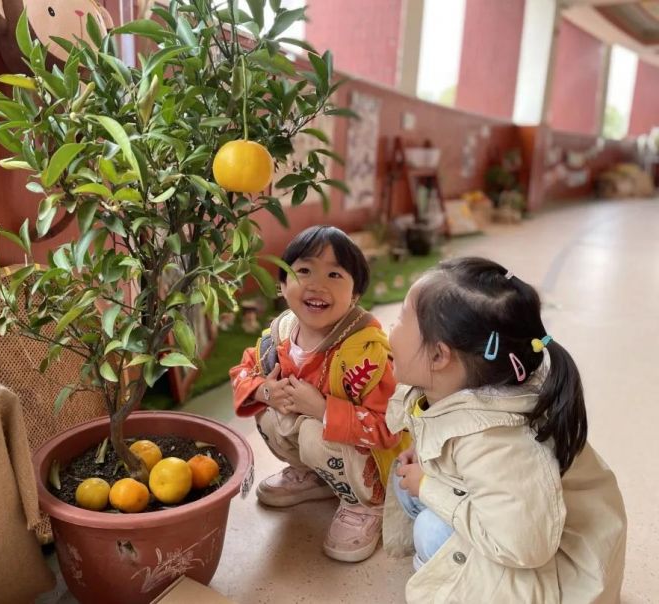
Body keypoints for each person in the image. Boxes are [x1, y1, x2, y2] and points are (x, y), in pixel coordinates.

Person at [382, 257, 626, 603]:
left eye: (400, 318)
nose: (390, 327)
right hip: (514, 510)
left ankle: (452, 577)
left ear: (439, 356)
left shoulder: (498, 441)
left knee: (431, 530)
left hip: (555, 567)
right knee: (407, 484)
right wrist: (425, 462)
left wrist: (429, 486)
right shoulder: (457, 385)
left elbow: (527, 546)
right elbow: (448, 436)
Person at [230, 225, 405, 563]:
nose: (317, 284)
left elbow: (390, 427)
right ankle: (315, 477)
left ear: (355, 295)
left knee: (313, 431)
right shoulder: (279, 334)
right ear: (282, 285)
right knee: (269, 416)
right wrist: (266, 391)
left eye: (335, 274)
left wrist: (324, 409)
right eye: (304, 270)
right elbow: (243, 372)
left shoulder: (366, 354)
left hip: (367, 461)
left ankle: (366, 503)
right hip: (325, 450)